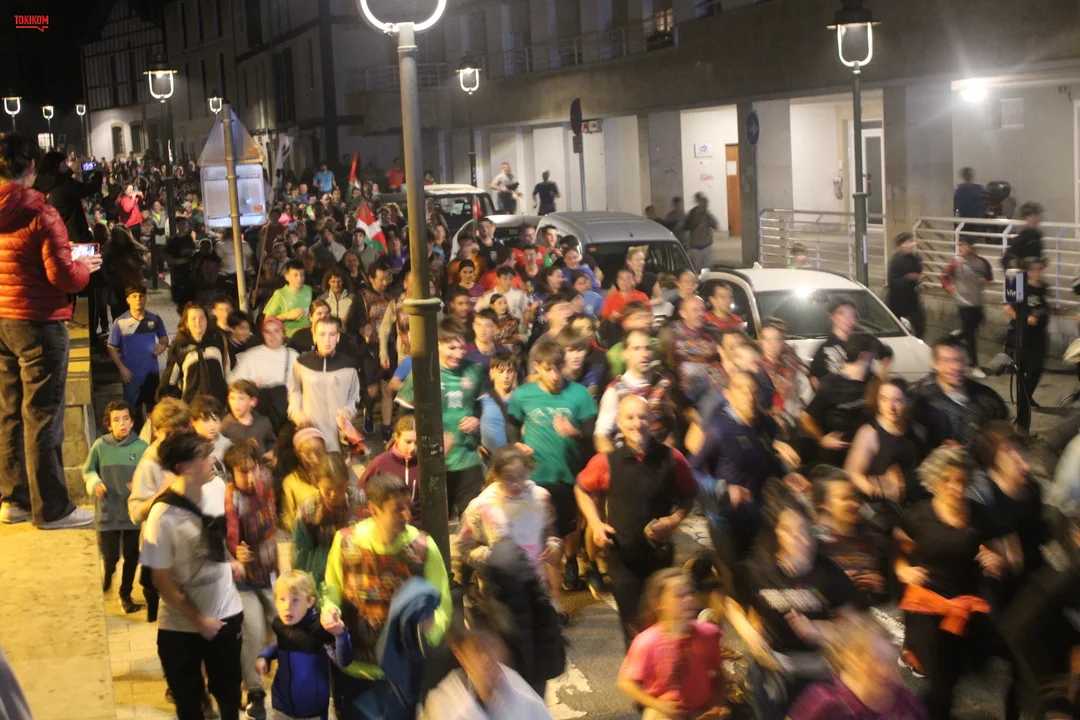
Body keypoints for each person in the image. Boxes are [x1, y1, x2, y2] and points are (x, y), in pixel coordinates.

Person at [0, 132, 98, 528]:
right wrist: (83, 269)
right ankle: (53, 508)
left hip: (2, 320)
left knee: (9, 412)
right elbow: (63, 277)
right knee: (43, 416)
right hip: (39, 322)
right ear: (31, 167)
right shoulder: (42, 214)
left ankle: (14, 500)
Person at [320, 473, 453, 720]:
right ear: (374, 510)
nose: (406, 515)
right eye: (397, 509)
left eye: (408, 507)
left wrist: (430, 630)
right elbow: (331, 591)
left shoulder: (423, 547)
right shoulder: (346, 542)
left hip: (401, 672)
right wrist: (329, 611)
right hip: (354, 667)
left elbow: (443, 603)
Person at [895, 446, 1007, 720]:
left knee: (966, 666)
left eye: (961, 481)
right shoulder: (918, 515)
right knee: (939, 670)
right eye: (948, 480)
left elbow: (996, 553)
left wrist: (994, 561)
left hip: (963, 601)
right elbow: (898, 549)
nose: (956, 488)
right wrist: (903, 570)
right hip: (926, 603)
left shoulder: (980, 516)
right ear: (935, 480)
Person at [725, 493, 856, 720]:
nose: (800, 539)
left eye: (805, 530)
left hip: (817, 667)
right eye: (789, 530)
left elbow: (855, 626)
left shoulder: (830, 575)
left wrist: (822, 631)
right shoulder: (758, 569)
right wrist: (748, 632)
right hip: (771, 663)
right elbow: (732, 604)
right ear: (776, 532)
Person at [141, 430, 243, 720]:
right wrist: (199, 621)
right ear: (184, 467)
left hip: (226, 613)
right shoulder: (162, 517)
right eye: (204, 457)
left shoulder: (216, 488)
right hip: (181, 627)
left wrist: (231, 560)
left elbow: (215, 535)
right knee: (188, 703)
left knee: (229, 694)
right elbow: (161, 579)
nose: (212, 461)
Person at [577, 395, 695, 640]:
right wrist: (596, 524)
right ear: (619, 422)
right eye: (629, 417)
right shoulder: (606, 461)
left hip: (659, 558)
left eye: (642, 417)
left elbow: (689, 495)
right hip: (622, 559)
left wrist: (675, 520)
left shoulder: (673, 459)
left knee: (664, 626)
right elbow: (581, 489)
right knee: (635, 630)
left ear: (652, 420)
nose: (637, 423)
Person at [507, 339, 598, 591]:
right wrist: (516, 444)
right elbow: (512, 422)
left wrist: (575, 432)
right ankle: (537, 570)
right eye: (549, 369)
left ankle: (571, 561)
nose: (555, 375)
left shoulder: (579, 394)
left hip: (568, 473)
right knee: (536, 524)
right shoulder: (523, 394)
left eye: (559, 368)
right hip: (534, 475)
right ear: (537, 366)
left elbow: (592, 433)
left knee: (570, 526)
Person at [455, 443, 561, 611]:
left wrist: (553, 545)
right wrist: (493, 557)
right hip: (500, 590)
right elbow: (464, 545)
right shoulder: (481, 506)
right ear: (497, 475)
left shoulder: (540, 497)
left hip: (536, 586)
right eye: (509, 478)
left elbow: (548, 530)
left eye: (521, 476)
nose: (517, 484)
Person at [395, 319, 485, 517]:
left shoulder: (475, 370)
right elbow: (404, 416)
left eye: (462, 348)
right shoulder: (423, 372)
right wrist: (425, 440)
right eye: (452, 348)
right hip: (433, 461)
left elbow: (480, 406)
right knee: (436, 520)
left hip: (467, 458)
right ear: (438, 345)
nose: (459, 354)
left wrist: (476, 419)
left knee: (472, 519)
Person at [617, 568, 726, 720]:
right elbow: (626, 682)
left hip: (702, 711)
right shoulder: (647, 642)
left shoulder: (708, 633)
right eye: (679, 595)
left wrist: (717, 704)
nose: (689, 599)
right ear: (658, 603)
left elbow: (719, 674)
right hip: (666, 712)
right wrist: (657, 705)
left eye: (691, 592)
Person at [222, 440, 279, 720]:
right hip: (242, 579)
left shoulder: (267, 481)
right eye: (241, 471)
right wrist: (236, 553)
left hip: (269, 571)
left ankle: (285, 680)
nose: (249, 476)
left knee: (280, 625)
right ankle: (255, 692)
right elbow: (227, 534)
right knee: (253, 631)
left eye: (252, 468)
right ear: (232, 473)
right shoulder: (229, 498)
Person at [787, 613, 929, 720]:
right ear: (850, 659)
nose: (885, 672)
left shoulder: (905, 701)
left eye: (891, 662)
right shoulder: (824, 704)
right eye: (874, 661)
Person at [256, 570, 352, 720]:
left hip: (313, 711)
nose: (287, 606)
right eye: (282, 599)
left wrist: (340, 635)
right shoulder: (279, 624)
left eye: (295, 600)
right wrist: (265, 656)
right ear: (275, 602)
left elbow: (343, 661)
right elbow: (280, 645)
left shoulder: (319, 628)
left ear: (309, 602)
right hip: (282, 706)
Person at [83, 400, 148, 615]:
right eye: (117, 420)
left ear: (132, 422)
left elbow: (150, 474)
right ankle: (108, 572)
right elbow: (88, 470)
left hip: (131, 514)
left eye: (126, 419)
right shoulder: (100, 446)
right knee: (111, 556)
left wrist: (140, 484)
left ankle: (125, 593)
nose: (122, 424)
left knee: (132, 556)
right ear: (109, 424)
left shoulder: (142, 448)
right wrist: (95, 483)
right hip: (107, 512)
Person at [419, 616, 553, 720]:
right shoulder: (443, 710)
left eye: (492, 645)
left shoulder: (523, 697)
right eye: (478, 649)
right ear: (461, 656)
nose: (487, 658)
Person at [910, 336, 1009, 453]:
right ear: (935, 364)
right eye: (946, 361)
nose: (955, 367)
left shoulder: (987, 398)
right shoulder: (921, 400)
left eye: (960, 360)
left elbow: (1004, 433)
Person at [810, 467, 889, 608]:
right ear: (823, 504)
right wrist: (838, 582)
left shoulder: (872, 534)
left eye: (854, 497)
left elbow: (888, 579)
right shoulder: (813, 538)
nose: (854, 504)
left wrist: (879, 585)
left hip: (872, 610)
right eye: (845, 498)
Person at [800, 333, 875, 467]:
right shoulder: (831, 385)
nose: (873, 360)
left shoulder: (871, 381)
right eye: (872, 355)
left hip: (864, 454)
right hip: (838, 459)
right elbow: (806, 418)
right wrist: (822, 439)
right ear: (863, 356)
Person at [288, 315, 360, 453]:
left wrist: (348, 412)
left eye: (332, 334)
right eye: (322, 334)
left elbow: (354, 397)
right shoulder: (302, 363)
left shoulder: (349, 366)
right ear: (314, 336)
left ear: (338, 337)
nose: (327, 340)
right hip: (312, 437)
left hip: (338, 439)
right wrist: (296, 413)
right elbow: (294, 391)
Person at [844, 378, 920, 505]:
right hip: (883, 506)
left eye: (896, 400)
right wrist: (881, 492)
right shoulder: (869, 433)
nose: (890, 407)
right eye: (884, 399)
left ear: (906, 402)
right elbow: (853, 474)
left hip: (912, 504)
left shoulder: (915, 429)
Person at [293, 452, 362, 588]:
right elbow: (300, 554)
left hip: (357, 576)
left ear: (347, 481)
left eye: (340, 487)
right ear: (317, 483)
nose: (334, 494)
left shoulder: (360, 503)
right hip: (323, 581)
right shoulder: (308, 513)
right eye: (328, 489)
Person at [106, 285, 169, 429]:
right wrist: (122, 369)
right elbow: (111, 347)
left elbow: (164, 339)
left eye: (141, 296)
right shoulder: (120, 322)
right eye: (134, 296)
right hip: (131, 374)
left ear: (145, 298)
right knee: (133, 411)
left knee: (154, 410)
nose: (138, 299)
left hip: (151, 372)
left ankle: (153, 437)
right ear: (128, 300)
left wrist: (162, 347)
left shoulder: (155, 319)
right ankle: (136, 437)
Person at [808, 295, 892, 390]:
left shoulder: (864, 340)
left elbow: (886, 354)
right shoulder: (824, 349)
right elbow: (814, 377)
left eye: (851, 314)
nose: (847, 319)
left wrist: (881, 381)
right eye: (842, 313)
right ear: (832, 317)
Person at [229, 317, 298, 432]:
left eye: (276, 331)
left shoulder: (293, 355)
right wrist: (249, 385)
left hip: (287, 417)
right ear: (263, 334)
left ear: (283, 333)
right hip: (257, 420)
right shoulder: (251, 356)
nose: (272, 336)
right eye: (268, 332)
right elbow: (232, 382)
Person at [941, 235, 993, 378]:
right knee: (971, 336)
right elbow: (944, 277)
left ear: (970, 247)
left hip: (978, 301)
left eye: (964, 245)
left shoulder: (981, 262)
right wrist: (949, 287)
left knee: (975, 326)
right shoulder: (955, 263)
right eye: (959, 245)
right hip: (963, 303)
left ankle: (955, 336)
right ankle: (975, 365)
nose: (961, 248)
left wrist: (986, 281)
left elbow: (989, 276)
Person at [159, 303, 230, 404]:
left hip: (218, 403)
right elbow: (170, 380)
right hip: (192, 405)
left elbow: (227, 369)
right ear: (186, 322)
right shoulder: (180, 347)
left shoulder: (218, 340)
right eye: (193, 318)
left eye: (202, 317)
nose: (198, 322)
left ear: (207, 320)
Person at [1004, 256, 1051, 407]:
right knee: (1025, 368)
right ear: (1027, 272)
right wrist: (1025, 319)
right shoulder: (1020, 286)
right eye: (1035, 269)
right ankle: (1023, 399)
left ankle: (1026, 396)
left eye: (1040, 269)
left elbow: (1042, 305)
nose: (1039, 272)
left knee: (1037, 368)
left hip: (1039, 333)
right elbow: (1007, 309)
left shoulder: (1043, 287)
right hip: (1023, 333)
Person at [358, 416, 420, 527]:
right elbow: (360, 491)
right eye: (408, 442)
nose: (413, 447)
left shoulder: (424, 463)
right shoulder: (380, 463)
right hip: (387, 528)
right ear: (396, 437)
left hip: (417, 528)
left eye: (416, 442)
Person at [280, 427, 328, 533]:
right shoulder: (291, 483)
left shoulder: (332, 474)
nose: (315, 459)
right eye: (308, 454)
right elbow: (288, 520)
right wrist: (302, 521)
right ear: (297, 453)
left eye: (319, 452)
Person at [221, 379, 277, 460]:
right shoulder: (225, 425)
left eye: (241, 398)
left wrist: (272, 452)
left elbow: (271, 442)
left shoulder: (263, 422)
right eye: (232, 398)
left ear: (253, 401)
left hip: (261, 465)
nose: (236, 403)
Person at [887, 232, 926, 339]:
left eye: (912, 241)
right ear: (902, 245)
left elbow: (917, 272)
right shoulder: (896, 260)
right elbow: (892, 282)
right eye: (909, 242)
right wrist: (908, 278)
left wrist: (919, 278)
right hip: (897, 300)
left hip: (912, 298)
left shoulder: (915, 258)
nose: (912, 244)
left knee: (920, 325)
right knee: (898, 328)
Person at [264, 260, 314, 338]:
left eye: (302, 274)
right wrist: (287, 315)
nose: (300, 278)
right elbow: (267, 321)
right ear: (287, 277)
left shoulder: (309, 290)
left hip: (308, 334)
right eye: (295, 275)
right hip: (289, 337)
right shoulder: (279, 294)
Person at [1003, 201, 1044, 269]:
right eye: (1033, 215)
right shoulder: (1023, 237)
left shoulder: (1037, 235)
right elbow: (1006, 259)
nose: (1037, 218)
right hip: (1023, 272)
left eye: (1036, 215)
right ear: (1026, 217)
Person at [684, 192, 718, 272]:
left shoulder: (707, 215)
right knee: (698, 269)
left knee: (706, 269)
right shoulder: (693, 213)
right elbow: (687, 226)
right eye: (703, 204)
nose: (704, 206)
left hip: (705, 245)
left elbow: (715, 225)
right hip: (696, 246)